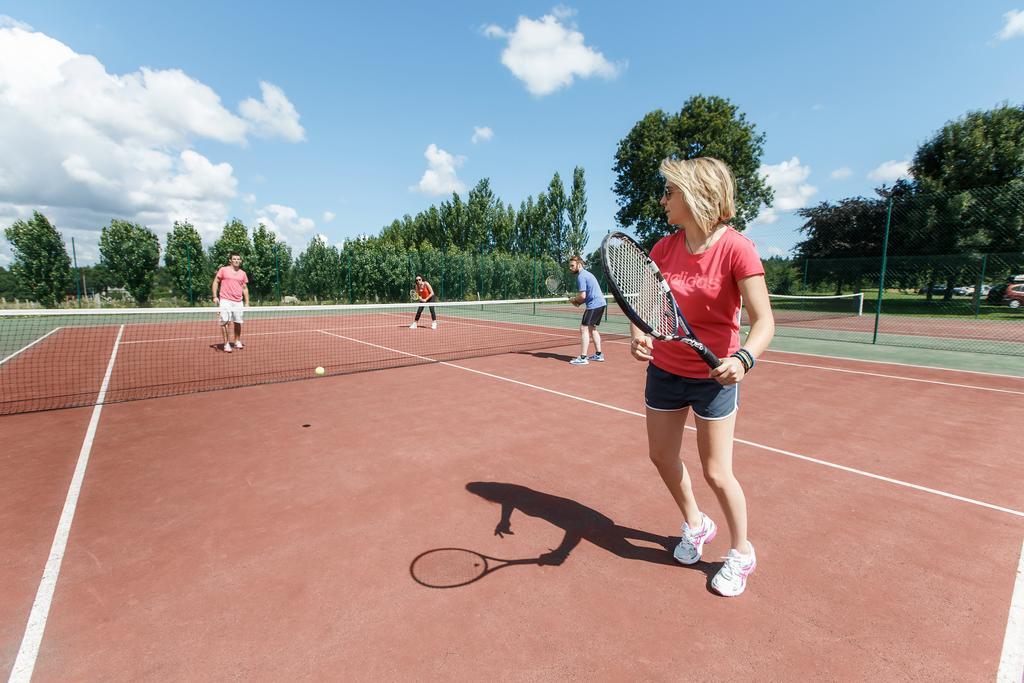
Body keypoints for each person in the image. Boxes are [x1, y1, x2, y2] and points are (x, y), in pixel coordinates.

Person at [629, 157, 774, 597]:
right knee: (661, 456)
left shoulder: (737, 249)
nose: (663, 200)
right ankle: (696, 523)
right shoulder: (662, 248)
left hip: (716, 378)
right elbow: (645, 307)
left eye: (669, 192)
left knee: (716, 471)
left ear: (696, 195)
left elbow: (764, 321)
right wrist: (640, 335)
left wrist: (744, 358)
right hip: (665, 373)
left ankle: (741, 552)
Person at [567, 255, 607, 365]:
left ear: (579, 264)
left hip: (594, 304)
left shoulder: (581, 276)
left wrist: (574, 299)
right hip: (601, 303)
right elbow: (587, 295)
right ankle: (599, 355)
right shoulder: (588, 274)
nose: (570, 268)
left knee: (583, 328)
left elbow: (583, 296)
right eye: (569, 266)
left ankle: (583, 357)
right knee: (592, 329)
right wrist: (577, 302)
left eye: (572, 266)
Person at [212, 252, 250, 352]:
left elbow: (245, 288)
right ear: (230, 260)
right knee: (225, 322)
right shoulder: (223, 270)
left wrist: (247, 302)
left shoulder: (243, 273)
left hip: (238, 301)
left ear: (240, 261)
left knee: (238, 322)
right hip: (225, 300)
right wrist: (215, 296)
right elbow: (216, 281)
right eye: (234, 259)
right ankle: (226, 344)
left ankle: (237, 341)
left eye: (238, 259)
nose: (236, 261)